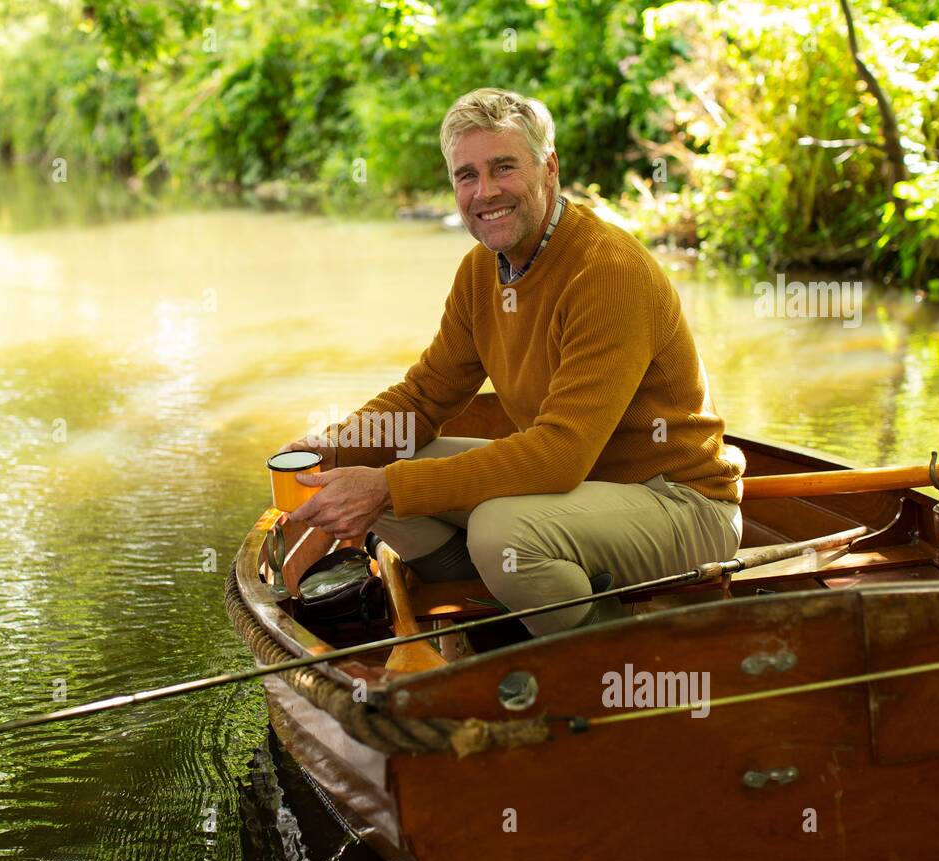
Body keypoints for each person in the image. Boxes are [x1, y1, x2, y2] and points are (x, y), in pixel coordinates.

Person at [278, 87, 745, 637]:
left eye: (504, 168)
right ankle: (502, 606)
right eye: (466, 175)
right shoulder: (481, 272)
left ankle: (606, 643)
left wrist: (387, 486)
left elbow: (560, 456)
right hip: (578, 499)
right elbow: (425, 397)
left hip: (679, 504)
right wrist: (328, 448)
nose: (485, 191)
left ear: (549, 169)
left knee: (500, 530)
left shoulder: (607, 271)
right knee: (393, 453)